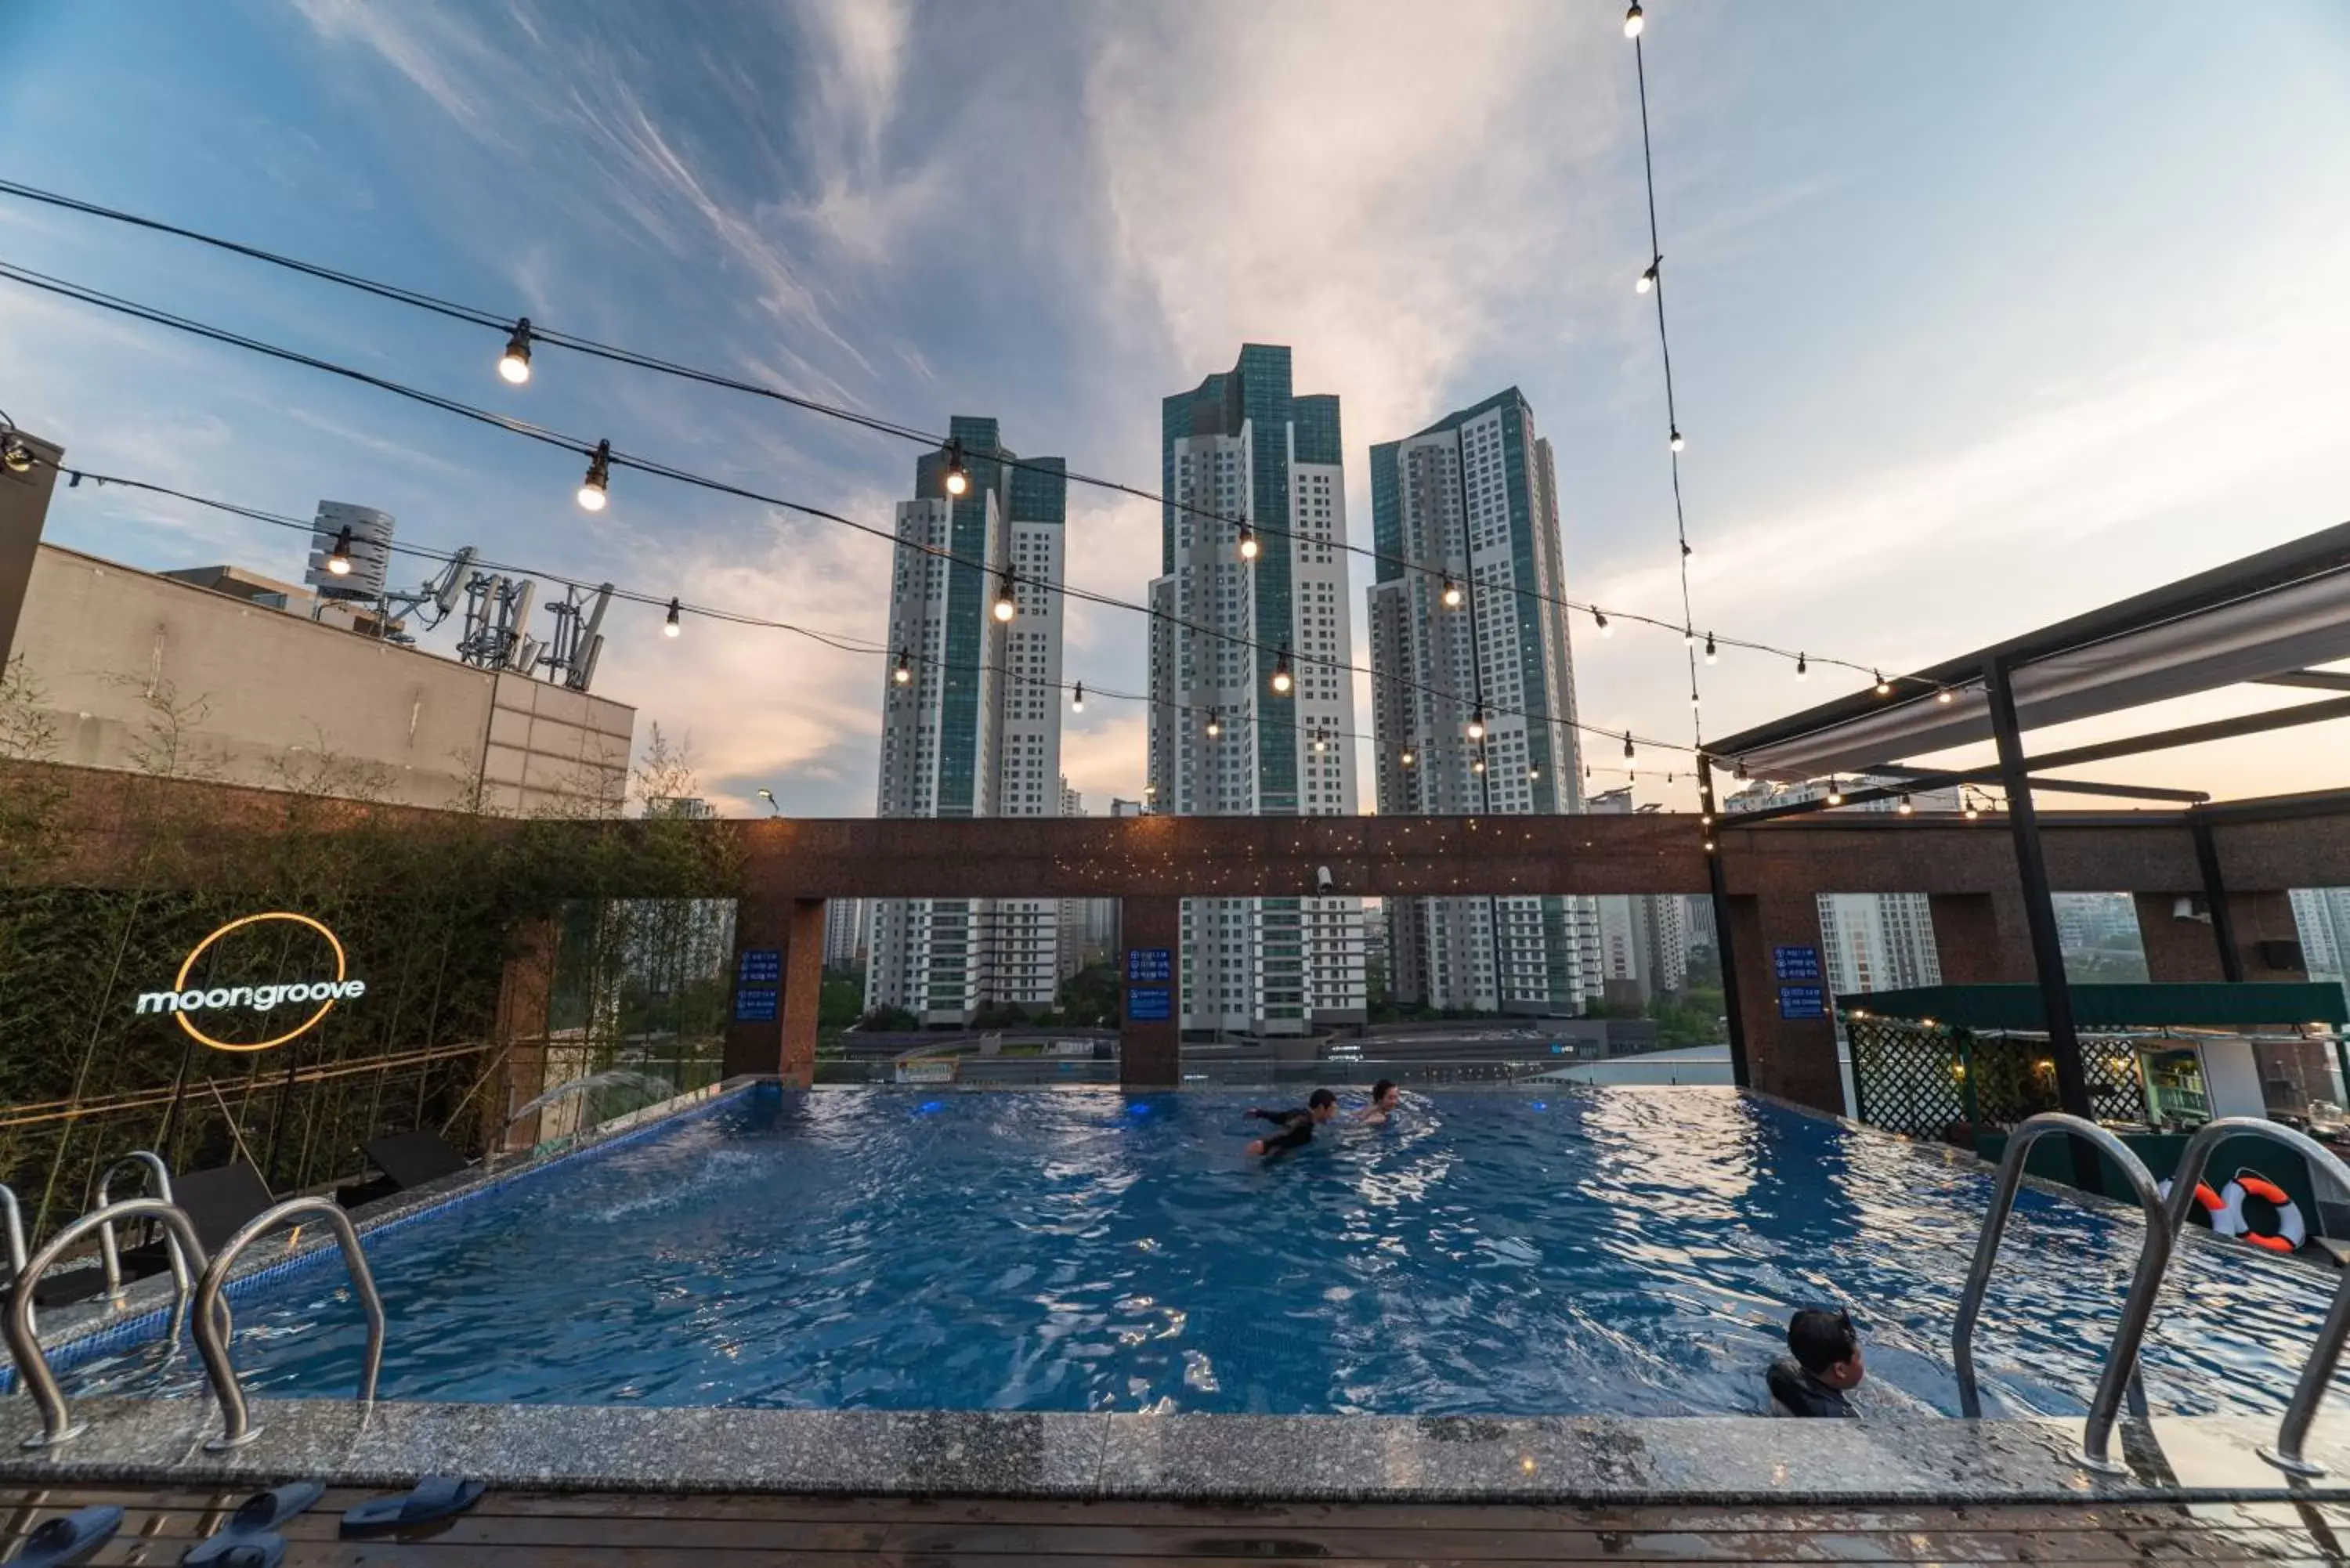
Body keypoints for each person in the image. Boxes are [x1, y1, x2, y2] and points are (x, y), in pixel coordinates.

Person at [1767, 1307, 1863, 1417]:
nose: (1861, 1362)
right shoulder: (1841, 1417)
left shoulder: (1781, 1373)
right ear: (1840, 1370)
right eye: (1859, 1358)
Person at [1245, 1089, 1337, 1156]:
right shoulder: (1303, 1119)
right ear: (1321, 1107)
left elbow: (1279, 1117)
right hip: (1274, 1153)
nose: (1333, 1115)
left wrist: (1260, 1113)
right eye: (1332, 1110)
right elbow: (1288, 1129)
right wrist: (1265, 1143)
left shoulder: (1298, 1112)